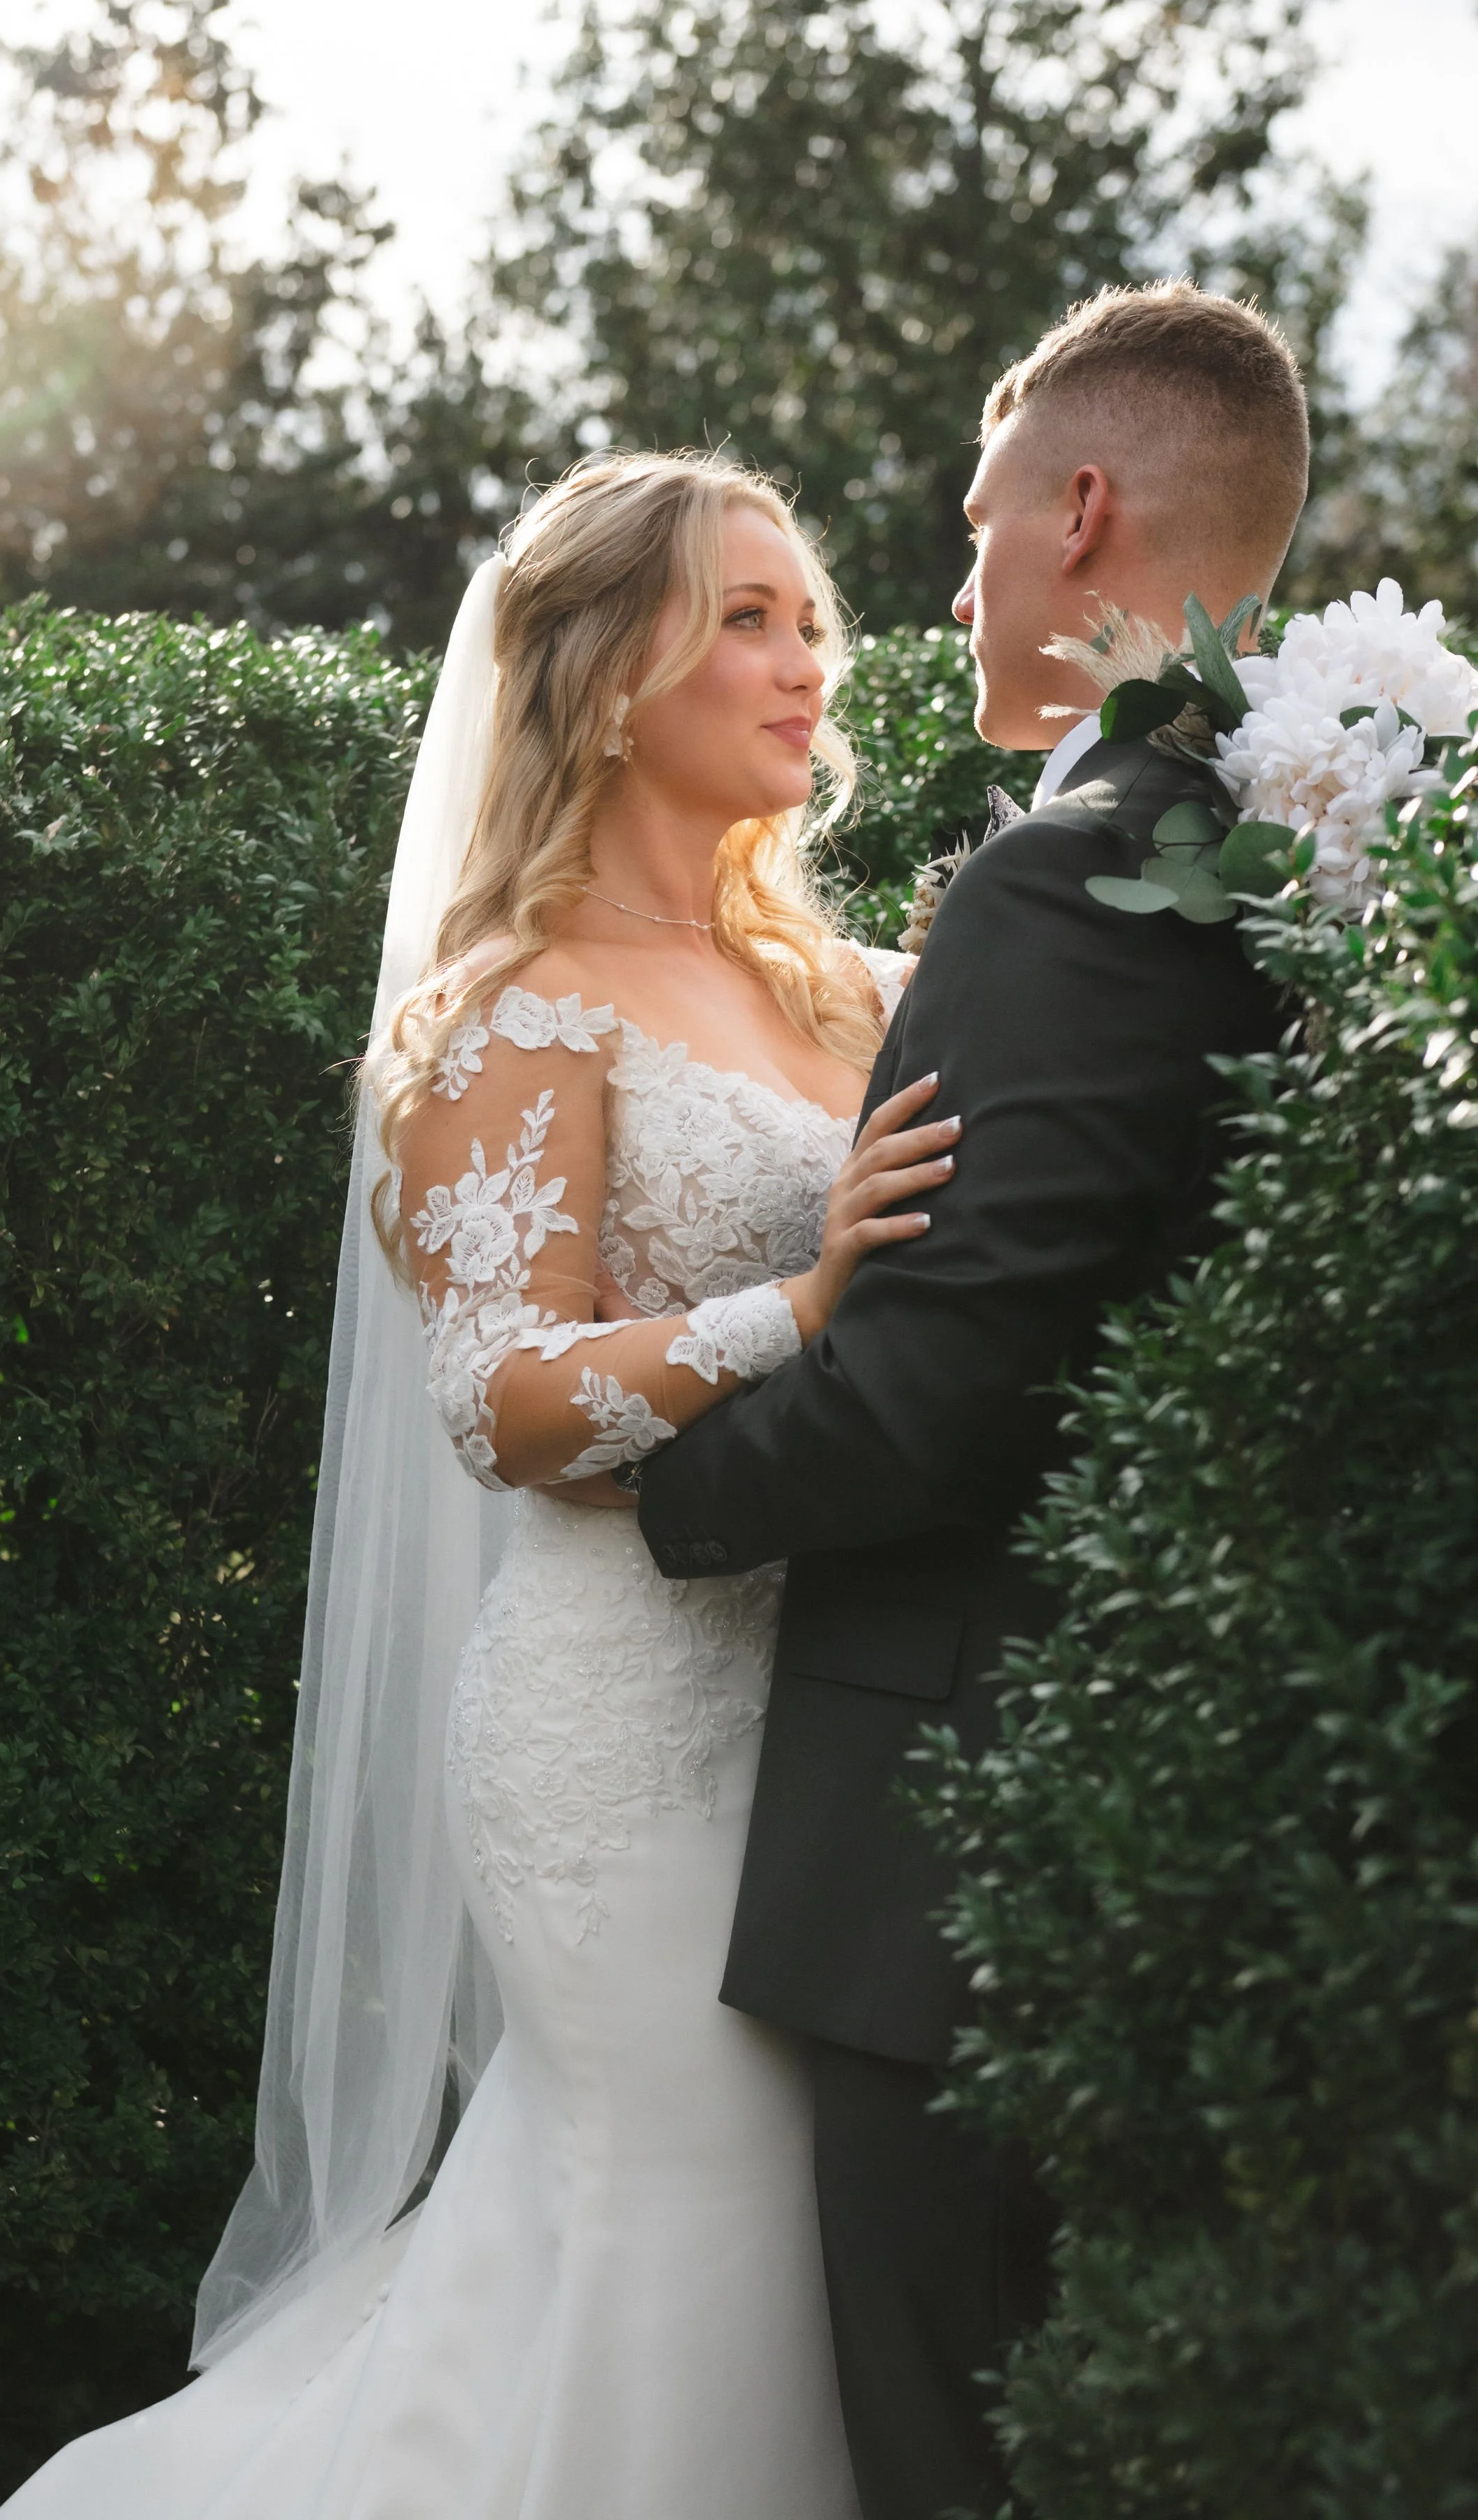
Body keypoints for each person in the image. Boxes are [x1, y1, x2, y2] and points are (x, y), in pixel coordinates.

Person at [0, 450, 958, 2517]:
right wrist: (805, 1300)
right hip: (628, 1728)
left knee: (791, 2241)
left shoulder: (867, 992)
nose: (810, 666)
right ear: (611, 679)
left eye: (816, 623)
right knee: (688, 2212)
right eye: (748, 619)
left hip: (847, 1712)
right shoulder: (506, 1018)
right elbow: (504, 1399)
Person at [634, 279, 1309, 2520]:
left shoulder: (1071, 881)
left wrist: (665, 1488)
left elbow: (935, 1398)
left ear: (1084, 510)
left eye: (977, 518)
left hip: (966, 1848)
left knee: (943, 2454)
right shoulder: (1327, 837)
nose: (951, 585)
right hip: (1213, 1815)